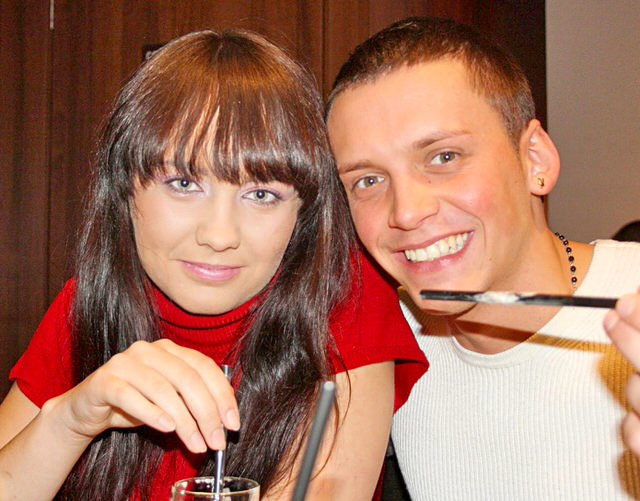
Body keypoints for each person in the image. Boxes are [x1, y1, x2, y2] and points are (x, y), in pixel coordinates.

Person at [0, 29, 427, 501]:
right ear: (124, 188)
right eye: (183, 184)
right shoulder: (87, 305)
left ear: (303, 213)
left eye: (261, 194)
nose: (220, 236)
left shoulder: (342, 293)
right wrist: (70, 420)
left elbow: (327, 487)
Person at [326, 16, 640, 499]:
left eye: (444, 157)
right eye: (368, 180)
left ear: (534, 159)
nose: (406, 212)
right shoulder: (379, 344)